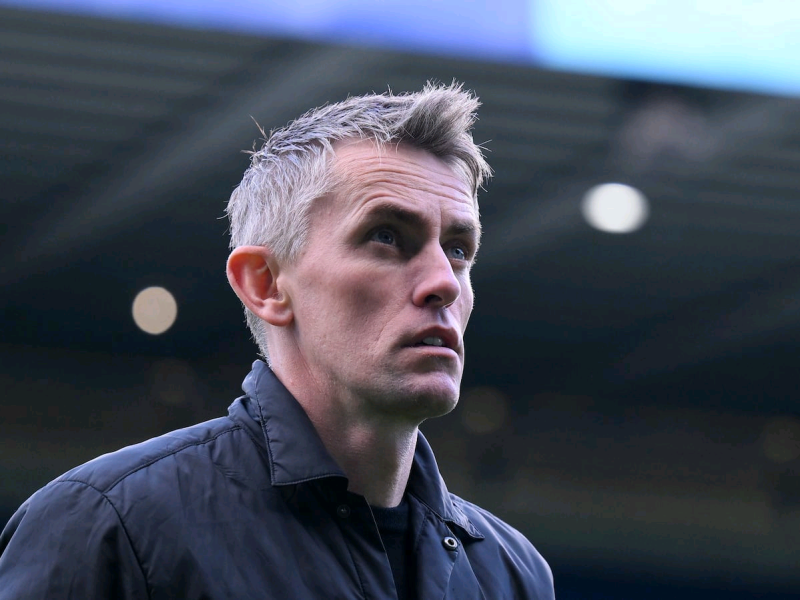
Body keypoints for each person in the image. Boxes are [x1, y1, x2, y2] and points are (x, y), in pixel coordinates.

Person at [0, 83, 554, 599]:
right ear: (265, 285)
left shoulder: (514, 574)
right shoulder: (110, 526)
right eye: (386, 236)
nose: (443, 281)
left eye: (458, 249)